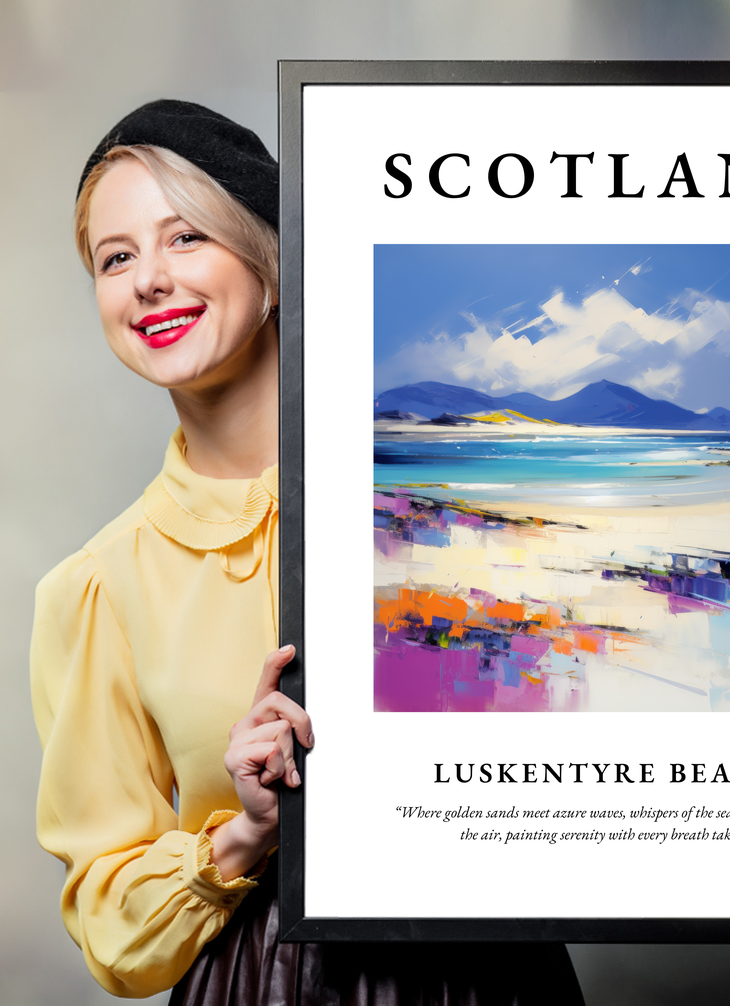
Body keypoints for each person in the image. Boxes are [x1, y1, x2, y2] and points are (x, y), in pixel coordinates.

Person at [30, 100, 585, 1004]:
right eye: (116, 257)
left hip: (492, 973)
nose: (148, 281)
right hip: (263, 982)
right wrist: (245, 832)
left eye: (186, 238)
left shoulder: (453, 502)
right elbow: (110, 923)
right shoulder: (97, 587)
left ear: (273, 263)